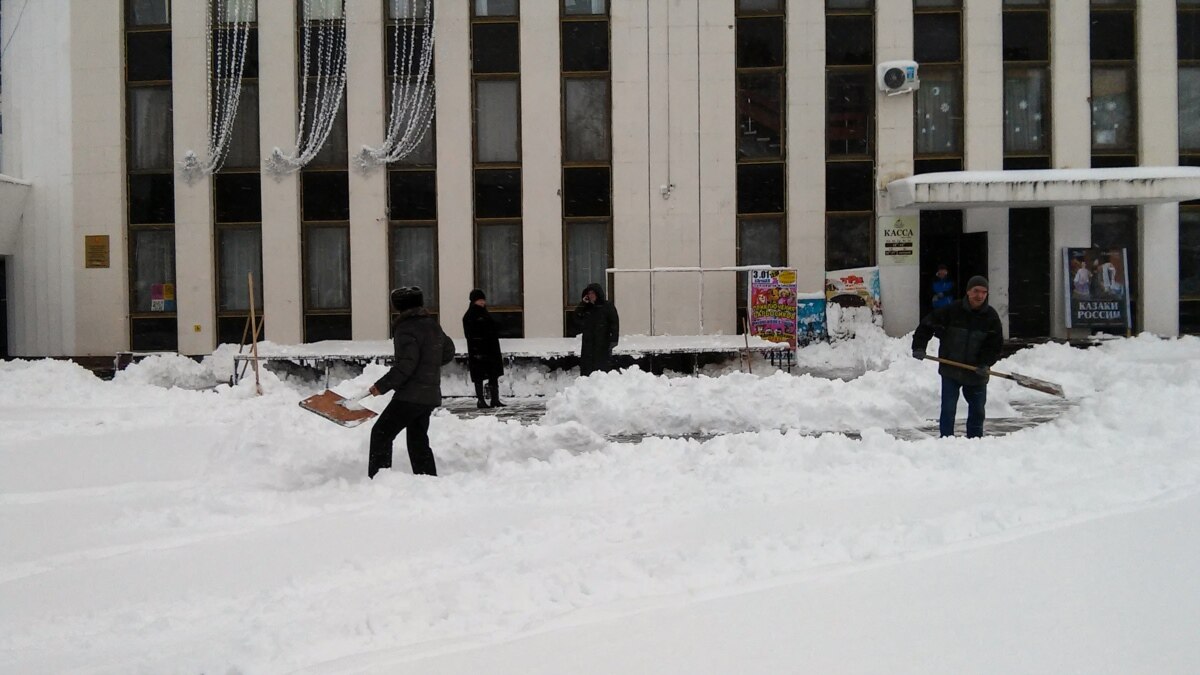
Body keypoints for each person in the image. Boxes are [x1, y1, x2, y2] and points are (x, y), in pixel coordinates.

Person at [367, 286, 455, 478]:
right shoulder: (432, 324)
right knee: (417, 439)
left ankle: (380, 480)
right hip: (429, 393)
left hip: (411, 395)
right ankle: (427, 478)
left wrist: (381, 386)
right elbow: (448, 351)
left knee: (381, 433)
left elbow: (406, 365)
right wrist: (429, 364)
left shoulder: (405, 328)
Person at [911, 275, 1004, 439]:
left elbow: (995, 345)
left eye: (984, 292)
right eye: (976, 291)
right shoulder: (952, 311)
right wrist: (919, 346)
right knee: (948, 410)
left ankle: (975, 443)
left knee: (977, 411)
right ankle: (946, 441)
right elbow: (927, 325)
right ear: (968, 292)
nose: (980, 295)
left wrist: (985, 363)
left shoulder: (991, 317)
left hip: (976, 373)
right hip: (951, 370)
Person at [462, 288, 505, 409]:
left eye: (483, 300)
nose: (482, 302)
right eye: (479, 300)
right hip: (479, 351)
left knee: (493, 374)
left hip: (490, 350)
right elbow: (470, 334)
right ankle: (481, 400)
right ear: (474, 301)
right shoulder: (470, 315)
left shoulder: (484, 313)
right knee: (479, 376)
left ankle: (495, 399)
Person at [573, 282, 620, 376]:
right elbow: (576, 318)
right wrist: (582, 304)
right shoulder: (586, 307)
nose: (591, 296)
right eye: (589, 293)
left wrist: (614, 339)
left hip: (603, 341)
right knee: (587, 367)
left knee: (602, 366)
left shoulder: (607, 306)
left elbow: (614, 323)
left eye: (593, 293)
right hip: (588, 342)